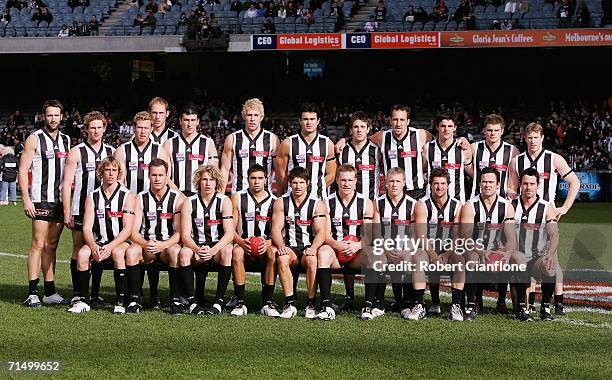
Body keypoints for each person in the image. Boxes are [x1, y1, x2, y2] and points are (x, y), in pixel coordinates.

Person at [507, 122, 580, 314]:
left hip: (546, 213)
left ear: (542, 138)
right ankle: (529, 303)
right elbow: (511, 188)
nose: (532, 140)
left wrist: (564, 207)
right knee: (527, 257)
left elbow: (574, 182)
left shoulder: (554, 159)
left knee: (551, 257)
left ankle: (558, 302)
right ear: (525, 138)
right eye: (529, 137)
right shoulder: (517, 161)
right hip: (524, 215)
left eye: (536, 137)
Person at [19, 100, 71, 308]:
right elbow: (23, 169)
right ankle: (32, 293)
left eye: (56, 115)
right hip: (41, 199)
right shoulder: (34, 139)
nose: (53, 119)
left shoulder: (67, 140)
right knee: (38, 244)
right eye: (49, 115)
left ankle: (49, 291)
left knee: (52, 245)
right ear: (43, 116)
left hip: (59, 202)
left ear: (61, 116)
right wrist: (26, 198)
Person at [67, 157, 136, 313]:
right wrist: (93, 246)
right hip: (99, 241)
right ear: (101, 172)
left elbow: (127, 229)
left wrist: (110, 247)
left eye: (114, 170)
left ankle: (120, 302)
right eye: (107, 170)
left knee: (118, 253)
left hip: (120, 242)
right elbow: (86, 227)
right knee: (83, 253)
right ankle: (83, 301)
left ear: (119, 173)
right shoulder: (92, 196)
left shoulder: (128, 196)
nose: (111, 174)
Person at [62, 111, 115, 306]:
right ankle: (77, 292)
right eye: (92, 127)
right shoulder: (77, 151)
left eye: (99, 127)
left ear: (104, 128)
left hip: (103, 210)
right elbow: (67, 183)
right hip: (80, 209)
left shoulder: (110, 152)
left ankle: (94, 293)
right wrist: (67, 210)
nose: (96, 131)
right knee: (78, 249)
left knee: (99, 247)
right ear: (86, 130)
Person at [459, 167, 525, 321]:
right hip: (475, 249)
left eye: (491, 182)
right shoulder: (470, 205)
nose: (487, 185)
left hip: (498, 250)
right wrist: (482, 252)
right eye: (484, 182)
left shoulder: (506, 206)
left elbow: (511, 238)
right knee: (472, 257)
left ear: (498, 185)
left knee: (519, 259)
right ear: (479, 183)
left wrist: (507, 252)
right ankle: (472, 304)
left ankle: (521, 307)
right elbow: (465, 238)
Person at [127, 158, 185, 313]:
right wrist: (145, 244)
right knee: (132, 251)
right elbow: (133, 231)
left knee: (175, 251)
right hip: (147, 245)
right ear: (148, 176)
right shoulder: (140, 198)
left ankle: (175, 300)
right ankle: (134, 299)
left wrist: (163, 245)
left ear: (167, 176)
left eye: (161, 175)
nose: (157, 178)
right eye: (154, 175)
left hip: (167, 246)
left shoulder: (177, 198)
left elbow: (180, 233)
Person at [335, 111, 381, 310]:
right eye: (355, 127)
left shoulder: (378, 150)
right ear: (350, 129)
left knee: (372, 249)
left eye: (363, 126)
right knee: (347, 243)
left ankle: (376, 297)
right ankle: (349, 295)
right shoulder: (343, 150)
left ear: (368, 129)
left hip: (371, 205)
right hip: (346, 204)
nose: (359, 130)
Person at [317, 164, 374, 320]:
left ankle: (368, 307)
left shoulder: (366, 202)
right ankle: (326, 306)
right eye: (343, 180)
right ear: (336, 180)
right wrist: (337, 245)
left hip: (357, 254)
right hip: (336, 251)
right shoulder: (327, 202)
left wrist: (357, 246)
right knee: (322, 253)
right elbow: (325, 235)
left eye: (350, 180)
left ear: (356, 181)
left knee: (373, 254)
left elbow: (370, 235)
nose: (346, 184)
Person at [271, 167, 327, 319]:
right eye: (294, 182)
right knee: (281, 258)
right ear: (290, 184)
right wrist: (281, 246)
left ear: (308, 183)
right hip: (290, 247)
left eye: (301, 182)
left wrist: (314, 248)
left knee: (312, 259)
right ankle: (290, 303)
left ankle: (311, 303)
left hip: (308, 246)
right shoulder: (281, 202)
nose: (298, 186)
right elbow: (275, 229)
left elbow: (321, 232)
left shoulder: (317, 204)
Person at [178, 165, 234, 315]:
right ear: (198, 182)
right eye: (204, 180)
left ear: (217, 182)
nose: (208, 183)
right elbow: (185, 235)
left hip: (216, 248)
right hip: (197, 247)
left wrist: (213, 250)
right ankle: (192, 302)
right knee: (183, 253)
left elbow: (229, 234)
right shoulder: (189, 202)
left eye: (212, 180)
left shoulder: (225, 201)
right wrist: (197, 249)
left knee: (228, 251)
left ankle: (218, 302)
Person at [373, 168, 426, 317]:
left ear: (404, 183)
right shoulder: (378, 203)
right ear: (386, 183)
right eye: (391, 181)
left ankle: (411, 302)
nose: (394, 184)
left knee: (413, 259)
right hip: (385, 248)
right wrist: (385, 248)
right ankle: (380, 303)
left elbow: (417, 235)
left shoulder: (414, 204)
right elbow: (376, 232)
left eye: (398, 181)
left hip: (406, 249)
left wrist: (406, 250)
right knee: (379, 258)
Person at [413, 168, 464, 320]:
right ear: (430, 185)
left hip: (449, 250)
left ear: (448, 185)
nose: (439, 187)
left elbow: (457, 236)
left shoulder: (457, 205)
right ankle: (420, 305)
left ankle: (456, 307)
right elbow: (421, 236)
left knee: (460, 261)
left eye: (442, 183)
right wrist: (435, 257)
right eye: (436, 183)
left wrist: (446, 255)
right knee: (418, 259)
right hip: (428, 249)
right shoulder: (422, 204)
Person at [229, 164, 279, 317]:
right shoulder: (238, 197)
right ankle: (240, 302)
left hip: (265, 246)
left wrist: (268, 243)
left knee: (273, 252)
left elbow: (278, 231)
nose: (256, 181)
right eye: (253, 178)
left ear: (266, 180)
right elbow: (230, 229)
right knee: (236, 252)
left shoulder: (275, 201)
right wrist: (241, 241)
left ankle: (267, 302)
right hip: (244, 245)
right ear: (247, 180)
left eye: (260, 178)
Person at [512, 167, 560, 321]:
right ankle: (520, 307)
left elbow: (554, 234)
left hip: (535, 258)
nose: (528, 187)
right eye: (525, 183)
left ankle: (545, 307)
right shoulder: (510, 205)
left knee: (550, 266)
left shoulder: (546, 207)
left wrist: (550, 255)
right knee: (519, 307)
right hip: (515, 258)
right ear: (520, 184)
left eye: (532, 184)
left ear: (538, 185)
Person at [219, 98, 280, 194]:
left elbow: (278, 171)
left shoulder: (272, 139)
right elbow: (225, 170)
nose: (252, 119)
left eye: (256, 115)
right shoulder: (232, 138)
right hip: (238, 196)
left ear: (262, 117)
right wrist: (220, 197)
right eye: (249, 115)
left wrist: (279, 195)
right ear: (243, 116)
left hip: (265, 196)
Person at [276, 102, 337, 198]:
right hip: (293, 199)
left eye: (312, 119)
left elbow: (332, 174)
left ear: (318, 121)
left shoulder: (327, 144)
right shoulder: (288, 143)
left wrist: (314, 188)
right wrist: (296, 188)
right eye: (305, 119)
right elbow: (281, 173)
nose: (309, 122)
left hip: (318, 199)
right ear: (300, 121)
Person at [163, 104, 218, 196]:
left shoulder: (208, 143)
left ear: (197, 121)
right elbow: (165, 176)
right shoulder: (169, 144)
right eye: (186, 120)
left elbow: (214, 173)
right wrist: (179, 196)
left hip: (200, 195)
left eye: (193, 120)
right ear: (180, 121)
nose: (189, 124)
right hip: (176, 195)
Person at [114, 111, 173, 195]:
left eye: (146, 128)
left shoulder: (160, 151)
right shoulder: (122, 150)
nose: (143, 132)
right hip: (129, 201)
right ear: (134, 128)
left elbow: (166, 179)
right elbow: (119, 180)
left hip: (152, 201)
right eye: (140, 127)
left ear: (151, 129)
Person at [422, 112, 473, 203]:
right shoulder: (427, 148)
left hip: (457, 202)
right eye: (443, 126)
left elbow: (473, 174)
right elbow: (420, 170)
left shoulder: (463, 149)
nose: (446, 129)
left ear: (455, 127)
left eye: (450, 126)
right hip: (431, 202)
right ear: (437, 127)